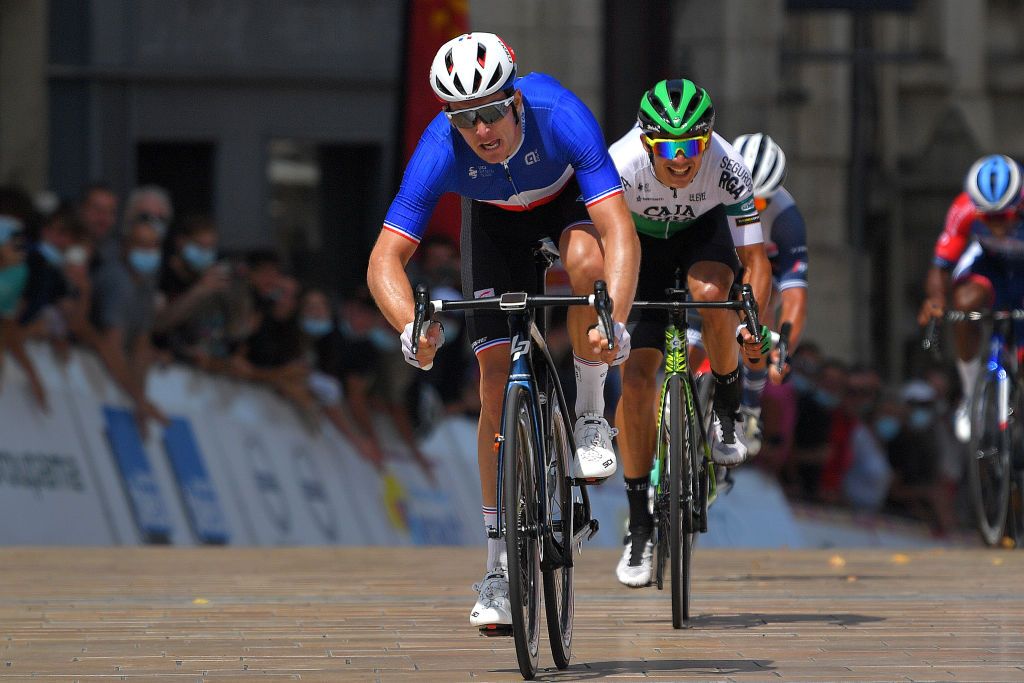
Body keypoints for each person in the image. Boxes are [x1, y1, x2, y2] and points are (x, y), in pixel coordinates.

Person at [365, 32, 639, 629]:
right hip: (492, 228)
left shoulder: (559, 114)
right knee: (493, 386)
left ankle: (591, 413)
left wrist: (612, 318)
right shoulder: (440, 146)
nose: (482, 130)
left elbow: (618, 230)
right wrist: (410, 326)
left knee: (587, 266)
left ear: (514, 100)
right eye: (465, 119)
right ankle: (496, 567)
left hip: (565, 205)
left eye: (491, 110)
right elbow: (385, 258)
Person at [607, 79, 771, 587]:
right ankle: (639, 525)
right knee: (636, 378)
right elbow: (603, 247)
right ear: (647, 143)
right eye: (670, 148)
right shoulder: (620, 164)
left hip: (701, 237)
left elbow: (755, 260)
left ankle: (725, 410)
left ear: (710, 140)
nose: (682, 160)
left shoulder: (726, 166)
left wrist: (754, 326)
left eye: (693, 146)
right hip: (640, 250)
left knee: (710, 293)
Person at [918, 154, 1024, 443]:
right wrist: (937, 301)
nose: (996, 226)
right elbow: (941, 266)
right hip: (988, 267)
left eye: (1003, 216)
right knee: (963, 304)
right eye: (987, 218)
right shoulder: (963, 209)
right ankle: (971, 394)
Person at [730, 133, 809, 454]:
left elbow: (794, 296)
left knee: (757, 312)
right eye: (743, 197)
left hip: (766, 264)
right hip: (728, 254)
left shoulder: (787, 219)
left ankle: (750, 403)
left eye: (758, 202)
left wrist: (785, 350)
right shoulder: (711, 189)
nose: (749, 207)